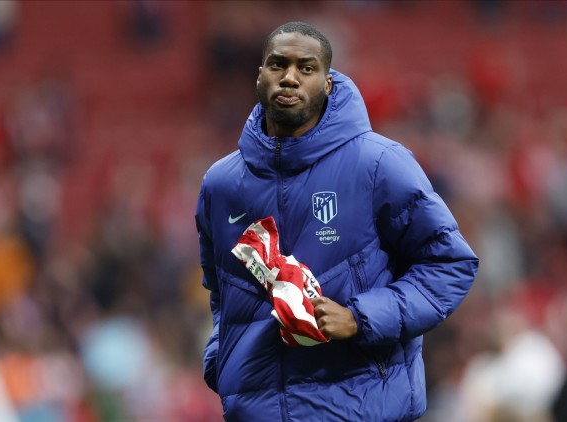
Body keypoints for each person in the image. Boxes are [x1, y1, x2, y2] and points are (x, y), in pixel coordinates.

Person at [195, 21, 479, 422]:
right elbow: (221, 289)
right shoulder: (221, 184)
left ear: (328, 83)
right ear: (260, 75)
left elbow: (451, 264)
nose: (290, 77)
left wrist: (362, 318)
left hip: (359, 406)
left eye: (306, 68)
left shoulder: (378, 164)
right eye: (277, 65)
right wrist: (222, 358)